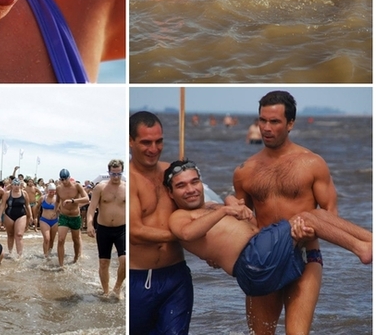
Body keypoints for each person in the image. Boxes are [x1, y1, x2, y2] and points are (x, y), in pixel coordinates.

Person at [166, 160, 371, 297]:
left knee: (313, 215)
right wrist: (225, 211)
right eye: (181, 186)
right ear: (170, 192)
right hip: (252, 262)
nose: (191, 189)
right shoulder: (179, 216)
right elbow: (187, 233)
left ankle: (369, 239)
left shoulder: (213, 207)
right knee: (307, 218)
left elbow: (249, 228)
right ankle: (363, 248)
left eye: (195, 182)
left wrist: (237, 208)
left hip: (262, 257)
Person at [233, 91, 338, 335]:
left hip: (305, 255)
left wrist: (310, 228)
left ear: (290, 124)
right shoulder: (244, 171)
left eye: (275, 121)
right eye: (262, 120)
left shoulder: (312, 163)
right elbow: (240, 220)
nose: (266, 128)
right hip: (264, 260)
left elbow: (331, 213)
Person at [129, 111, 192, 335]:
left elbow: (196, 210)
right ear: (130, 141)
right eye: (146, 142)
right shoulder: (130, 180)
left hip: (176, 277)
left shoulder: (172, 173)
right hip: (139, 279)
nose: (154, 148)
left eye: (159, 141)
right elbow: (135, 232)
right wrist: (183, 235)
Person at [86, 159, 126, 298]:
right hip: (104, 229)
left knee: (125, 260)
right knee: (104, 262)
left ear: (122, 172)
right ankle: (106, 292)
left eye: (118, 174)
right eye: (113, 174)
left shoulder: (127, 188)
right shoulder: (100, 188)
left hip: (122, 229)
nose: (116, 177)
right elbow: (91, 209)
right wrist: (90, 224)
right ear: (109, 172)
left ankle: (117, 287)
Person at [55, 169, 88, 267]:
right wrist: (55, 209)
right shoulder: (59, 188)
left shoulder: (76, 186)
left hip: (75, 216)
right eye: (62, 179)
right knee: (60, 239)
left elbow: (86, 199)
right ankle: (61, 265)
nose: (64, 181)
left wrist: (73, 201)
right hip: (64, 216)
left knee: (76, 240)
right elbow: (57, 201)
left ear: (69, 177)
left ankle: (76, 259)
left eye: (65, 179)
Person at [1, 179, 33, 258]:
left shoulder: (24, 193)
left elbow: (28, 205)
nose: (16, 187)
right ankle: (10, 252)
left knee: (19, 235)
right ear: (11, 185)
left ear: (20, 185)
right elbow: (2, 205)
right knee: (10, 234)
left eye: (17, 185)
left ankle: (19, 255)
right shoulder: (7, 194)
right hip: (9, 215)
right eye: (14, 185)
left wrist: (31, 215)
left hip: (21, 215)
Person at [38, 183, 59, 258]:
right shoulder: (43, 198)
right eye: (50, 191)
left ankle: (49, 253)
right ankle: (45, 256)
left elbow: (61, 209)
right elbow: (36, 208)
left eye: (53, 191)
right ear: (47, 191)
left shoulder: (57, 199)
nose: (52, 193)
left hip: (55, 221)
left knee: (52, 240)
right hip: (44, 220)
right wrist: (34, 218)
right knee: (47, 239)